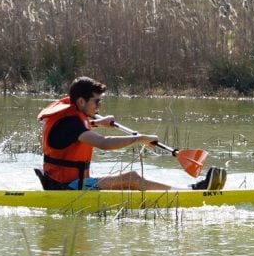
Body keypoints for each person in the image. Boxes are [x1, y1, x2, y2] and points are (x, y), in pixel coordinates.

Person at [37, 76, 225, 191]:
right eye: (97, 102)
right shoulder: (70, 123)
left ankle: (188, 189)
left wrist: (96, 122)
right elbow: (104, 143)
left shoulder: (73, 119)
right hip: (66, 188)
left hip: (73, 183)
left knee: (130, 182)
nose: (100, 106)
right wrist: (140, 138)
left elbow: (77, 133)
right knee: (131, 178)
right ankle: (193, 191)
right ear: (80, 102)